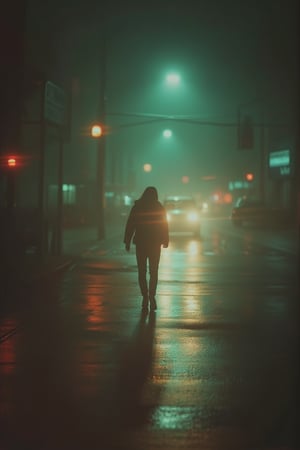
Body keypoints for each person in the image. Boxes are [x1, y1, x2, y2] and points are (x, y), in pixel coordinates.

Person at [124, 186, 169, 311]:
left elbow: (130, 224)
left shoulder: (137, 207)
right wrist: (165, 240)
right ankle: (152, 297)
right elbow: (164, 225)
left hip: (141, 244)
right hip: (154, 244)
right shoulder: (159, 207)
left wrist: (127, 241)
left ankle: (145, 296)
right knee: (153, 272)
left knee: (142, 271)